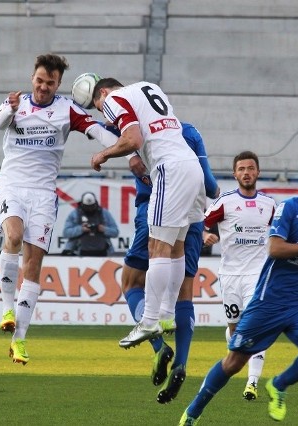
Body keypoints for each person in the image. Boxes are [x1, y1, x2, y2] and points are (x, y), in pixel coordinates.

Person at [179, 159, 298, 425]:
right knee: (234, 362)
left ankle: (278, 385)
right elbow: (275, 249)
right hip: (268, 301)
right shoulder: (289, 208)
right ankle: (193, 411)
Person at [0, 54, 121, 365]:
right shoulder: (15, 103)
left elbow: (96, 130)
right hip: (12, 185)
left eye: (50, 82)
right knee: (13, 235)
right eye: (39, 80)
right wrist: (9, 109)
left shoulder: (67, 110)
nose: (43, 87)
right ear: (32, 78)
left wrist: (120, 144)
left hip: (43, 195)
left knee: (33, 267)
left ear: (59, 84)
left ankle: (19, 340)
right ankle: (6, 308)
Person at [90, 78, 207, 349]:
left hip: (169, 169)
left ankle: (149, 320)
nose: (103, 112)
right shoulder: (149, 88)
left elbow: (133, 139)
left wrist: (103, 155)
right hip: (192, 168)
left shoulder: (112, 99)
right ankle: (166, 316)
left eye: (99, 105)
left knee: (158, 247)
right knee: (176, 246)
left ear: (104, 92)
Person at [121, 121, 219, 404]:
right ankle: (181, 364)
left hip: (154, 212)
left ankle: (159, 346)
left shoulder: (138, 133)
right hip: (193, 216)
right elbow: (210, 185)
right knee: (184, 292)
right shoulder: (190, 132)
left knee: (131, 282)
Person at [202, 151, 276, 401]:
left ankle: (252, 382)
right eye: (242, 169)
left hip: (258, 274)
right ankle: (234, 356)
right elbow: (200, 224)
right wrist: (204, 236)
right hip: (230, 275)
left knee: (256, 327)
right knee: (235, 331)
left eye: (251, 168)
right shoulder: (225, 202)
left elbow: (281, 234)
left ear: (258, 172)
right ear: (235, 174)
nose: (246, 172)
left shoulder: (269, 205)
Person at [62, 191, 119, 256]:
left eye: (92, 207)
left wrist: (104, 229)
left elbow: (115, 232)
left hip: (103, 252)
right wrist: (81, 229)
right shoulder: (74, 214)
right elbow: (66, 233)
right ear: (82, 205)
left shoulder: (104, 213)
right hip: (79, 253)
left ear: (96, 204)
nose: (90, 210)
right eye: (87, 207)